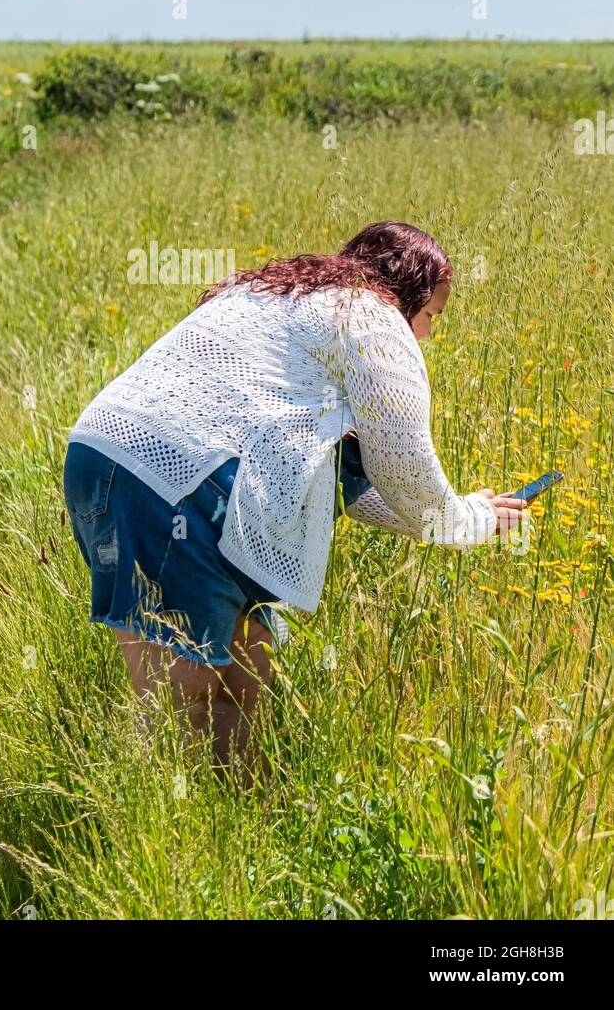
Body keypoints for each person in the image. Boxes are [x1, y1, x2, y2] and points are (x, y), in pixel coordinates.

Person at [63, 221, 529, 782]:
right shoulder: (371, 315)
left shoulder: (275, 294)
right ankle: (156, 847)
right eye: (430, 315)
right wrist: (466, 521)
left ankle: (231, 835)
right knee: (177, 710)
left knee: (244, 677)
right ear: (405, 289)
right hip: (181, 489)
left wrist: (458, 510)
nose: (427, 333)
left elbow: (356, 490)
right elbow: (403, 466)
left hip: (106, 460)